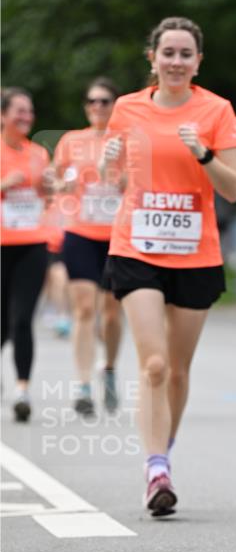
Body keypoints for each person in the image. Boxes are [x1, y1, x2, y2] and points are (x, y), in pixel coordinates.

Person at [101, 16, 236, 516]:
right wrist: (107, 162)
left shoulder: (217, 111)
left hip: (195, 252)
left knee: (179, 372)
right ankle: (156, 467)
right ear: (152, 58)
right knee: (155, 364)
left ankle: (163, 453)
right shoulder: (126, 109)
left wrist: (203, 153)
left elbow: (233, 188)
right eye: (168, 53)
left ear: (198, 61)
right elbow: (113, 179)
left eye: (186, 54)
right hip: (137, 247)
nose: (176, 62)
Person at [54, 77, 124, 415]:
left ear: (115, 105)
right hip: (80, 232)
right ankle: (82, 385)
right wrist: (63, 183)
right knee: (83, 309)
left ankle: (108, 368)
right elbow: (57, 180)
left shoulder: (127, 140)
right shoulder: (71, 141)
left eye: (104, 101)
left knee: (111, 313)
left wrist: (112, 171)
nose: (97, 107)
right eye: (91, 101)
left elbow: (135, 183)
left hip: (117, 235)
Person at [1, 87, 54, 421]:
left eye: (29, 111)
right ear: (3, 115)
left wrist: (49, 188)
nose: (26, 117)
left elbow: (47, 200)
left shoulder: (39, 154)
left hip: (33, 243)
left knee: (23, 318)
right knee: (2, 320)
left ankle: (22, 389)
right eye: (19, 111)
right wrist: (4, 185)